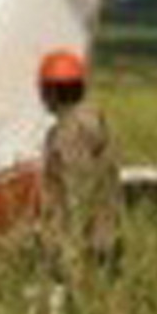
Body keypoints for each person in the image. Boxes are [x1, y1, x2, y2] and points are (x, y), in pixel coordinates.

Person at [36, 47, 122, 267]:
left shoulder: (69, 132)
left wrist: (70, 249)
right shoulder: (98, 122)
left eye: (43, 89)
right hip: (103, 238)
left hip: (78, 247)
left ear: (52, 92)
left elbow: (77, 191)